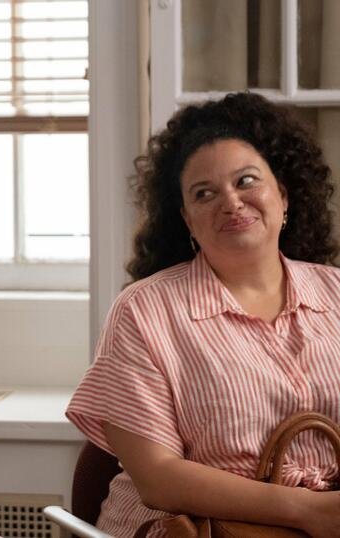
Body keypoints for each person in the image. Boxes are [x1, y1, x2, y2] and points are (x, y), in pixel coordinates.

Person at [66, 92, 340, 538]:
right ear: (188, 221)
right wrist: (306, 511)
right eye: (204, 193)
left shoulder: (337, 291)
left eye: (246, 181)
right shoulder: (144, 311)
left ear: (284, 196)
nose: (230, 202)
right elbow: (158, 479)